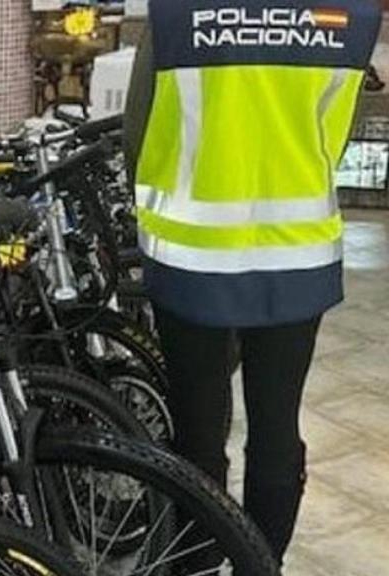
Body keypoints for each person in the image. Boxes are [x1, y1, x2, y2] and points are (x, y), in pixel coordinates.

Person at [125, 0, 380, 565]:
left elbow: (136, 135)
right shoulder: (348, 18)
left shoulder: (177, 14)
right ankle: (262, 562)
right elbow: (336, 139)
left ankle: (196, 562)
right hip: (297, 254)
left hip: (190, 257)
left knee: (198, 433)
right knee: (276, 430)